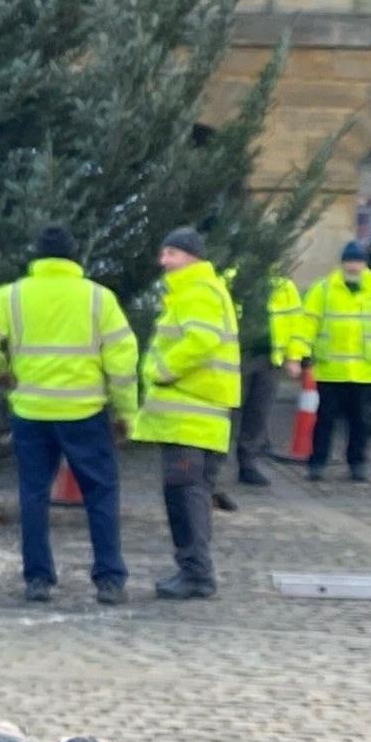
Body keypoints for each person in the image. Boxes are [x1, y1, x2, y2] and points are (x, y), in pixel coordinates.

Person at [0, 224, 138, 606]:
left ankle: (37, 579)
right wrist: (125, 412)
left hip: (31, 411)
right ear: (76, 256)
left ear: (37, 257)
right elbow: (123, 361)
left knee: (34, 494)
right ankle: (109, 580)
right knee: (101, 494)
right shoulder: (98, 298)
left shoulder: (12, 296)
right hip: (85, 412)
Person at [137, 228, 239, 601]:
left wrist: (160, 369)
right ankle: (193, 570)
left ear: (192, 257)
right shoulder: (195, 291)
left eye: (172, 254)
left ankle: (196, 573)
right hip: (196, 415)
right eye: (163, 254)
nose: (164, 262)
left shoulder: (198, 291)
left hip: (191, 416)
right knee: (188, 494)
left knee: (186, 496)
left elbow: (200, 341)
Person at [302, 241, 371, 483]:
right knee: (325, 422)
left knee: (361, 423)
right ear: (342, 263)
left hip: (364, 373)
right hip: (331, 371)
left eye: (358, 261)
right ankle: (317, 463)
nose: (353, 266)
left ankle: (357, 463)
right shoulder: (324, 290)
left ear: (365, 264)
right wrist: (301, 352)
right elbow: (307, 324)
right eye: (350, 261)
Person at [235, 266, 304, 486]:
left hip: (269, 358)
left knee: (258, 412)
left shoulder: (284, 286)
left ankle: (248, 463)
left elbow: (296, 326)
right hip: (238, 355)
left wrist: (294, 358)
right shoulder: (233, 276)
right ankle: (211, 465)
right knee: (228, 412)